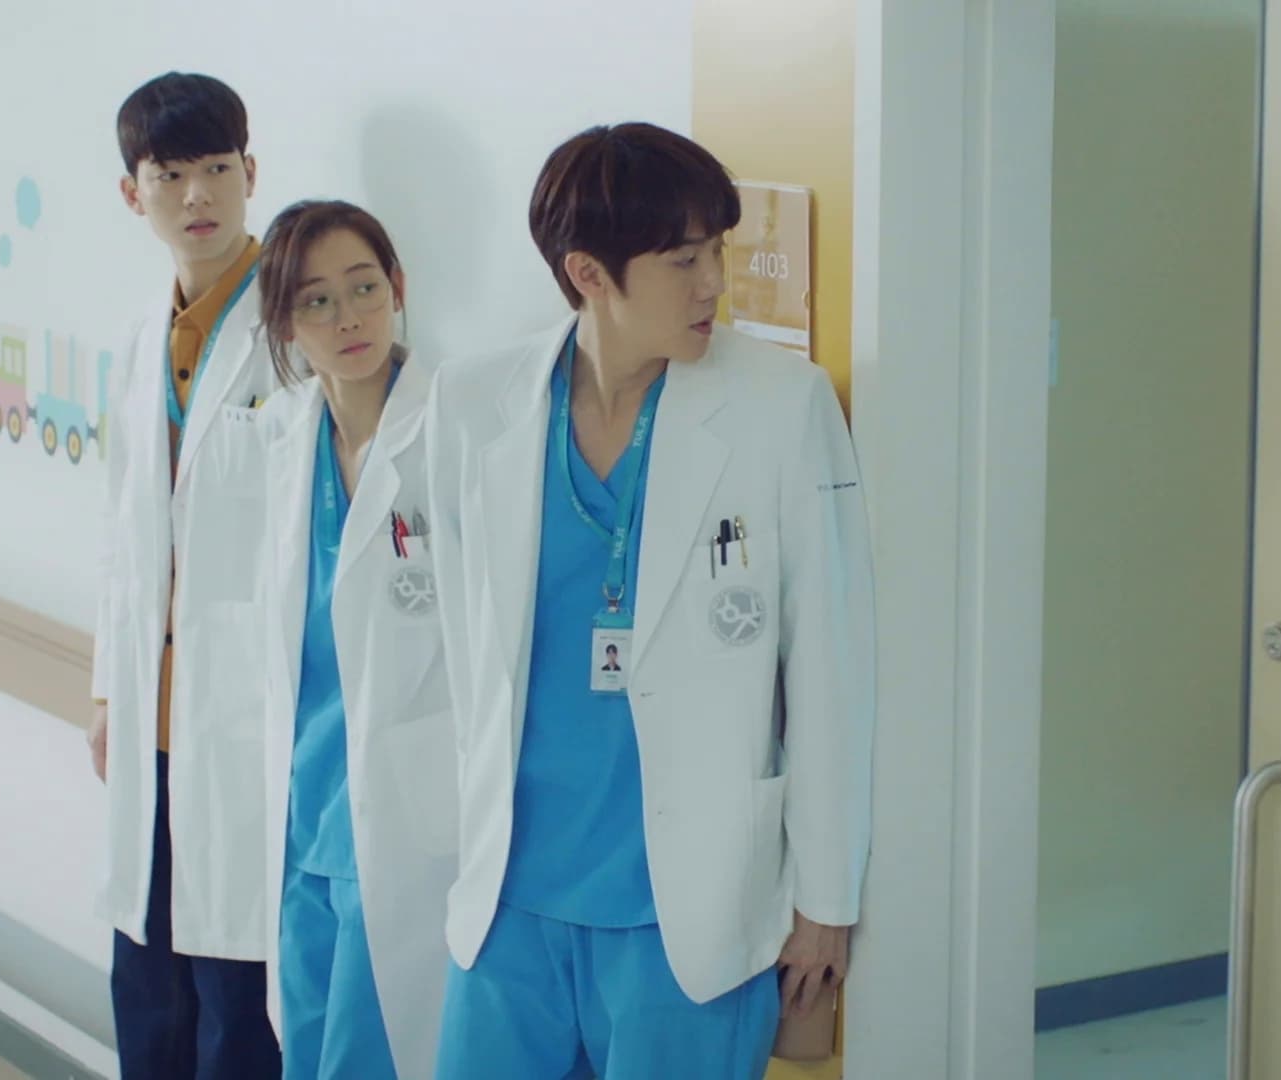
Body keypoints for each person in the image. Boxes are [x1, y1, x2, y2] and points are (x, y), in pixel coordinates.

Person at [424, 122, 877, 1080]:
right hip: (509, 900)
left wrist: (826, 899)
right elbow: (463, 650)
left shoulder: (781, 405)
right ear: (589, 274)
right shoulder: (472, 403)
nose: (716, 283)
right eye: (684, 261)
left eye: (718, 250)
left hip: (688, 916)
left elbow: (831, 664)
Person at [88, 71, 281, 1079]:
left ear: (251, 172)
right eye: (170, 174)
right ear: (135, 194)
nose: (198, 195)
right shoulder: (138, 340)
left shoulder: (294, 331)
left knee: (235, 1003)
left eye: (217, 168)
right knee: (149, 983)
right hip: (153, 719)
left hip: (249, 719)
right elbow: (123, 536)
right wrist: (108, 692)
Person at [251, 200, 458, 1079]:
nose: (349, 319)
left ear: (398, 287)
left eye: (365, 288)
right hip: (305, 806)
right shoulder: (280, 433)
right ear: (284, 323)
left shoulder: (456, 429)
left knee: (367, 1057)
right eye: (317, 301)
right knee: (305, 1049)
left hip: (408, 816)